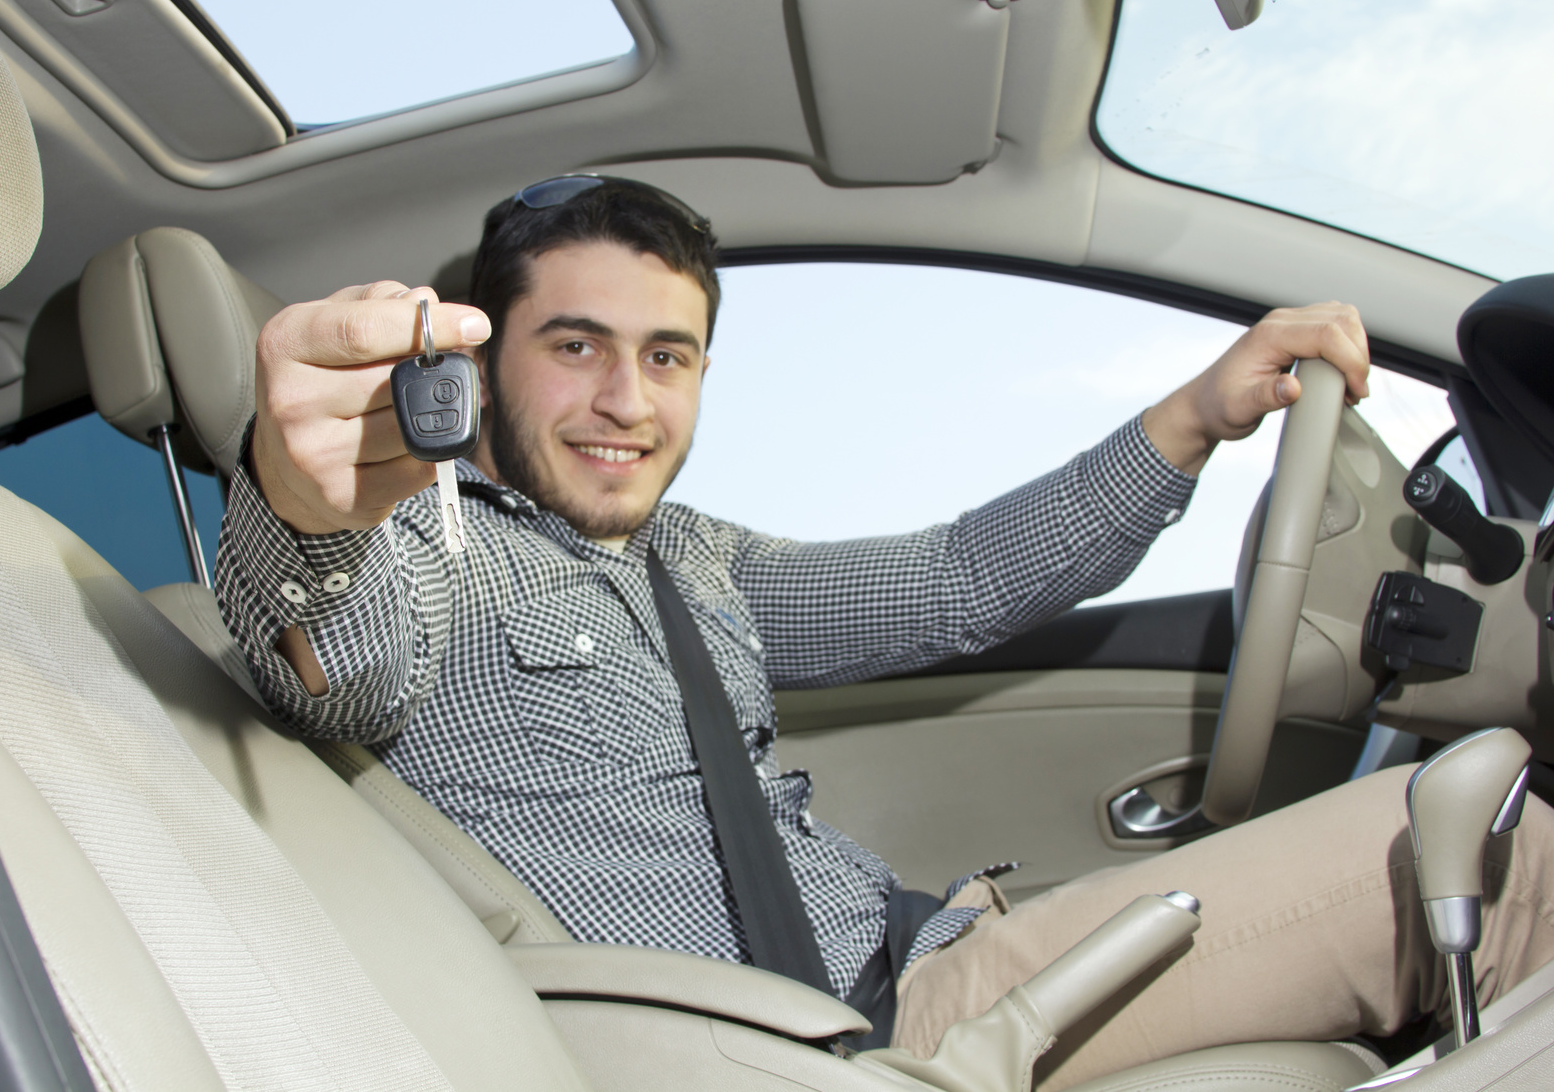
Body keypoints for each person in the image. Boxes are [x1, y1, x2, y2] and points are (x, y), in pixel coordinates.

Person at [215, 176, 1554, 1087]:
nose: (624, 398)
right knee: (1507, 854)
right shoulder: (430, 551)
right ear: (480, 359)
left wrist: (1196, 417)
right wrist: (304, 500)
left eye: (668, 355)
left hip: (927, 961)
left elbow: (952, 583)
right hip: (848, 1047)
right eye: (575, 346)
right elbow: (341, 656)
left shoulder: (692, 559)